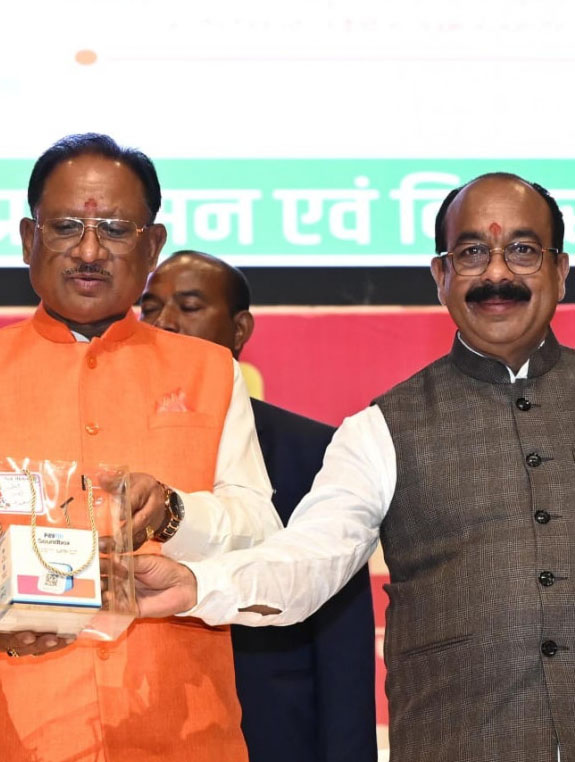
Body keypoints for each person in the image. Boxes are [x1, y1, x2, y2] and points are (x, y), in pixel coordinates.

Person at [133, 172, 574, 762]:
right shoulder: (381, 428)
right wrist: (197, 584)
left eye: (522, 250)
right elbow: (308, 559)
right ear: (441, 275)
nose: (497, 274)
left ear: (559, 270)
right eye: (471, 253)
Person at [0, 132, 281, 761]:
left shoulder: (211, 373)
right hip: (4, 735)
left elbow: (262, 537)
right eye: (64, 228)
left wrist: (174, 514)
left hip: (180, 734)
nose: (88, 251)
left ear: (153, 245)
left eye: (114, 229)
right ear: (28, 239)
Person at [140, 250, 377, 762]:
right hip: (141, 725)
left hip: (271, 734)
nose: (164, 323)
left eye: (189, 306)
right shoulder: (116, 446)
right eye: (150, 308)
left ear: (239, 329)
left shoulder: (312, 450)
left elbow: (341, 640)